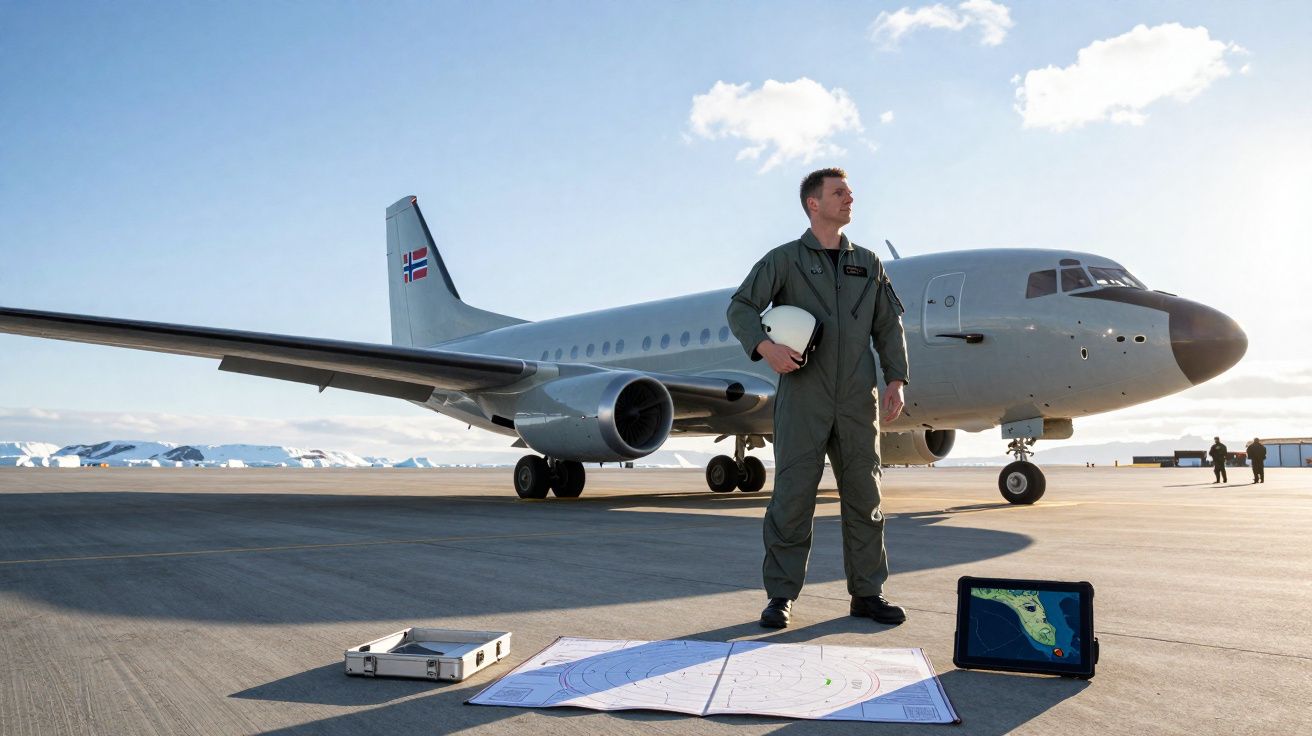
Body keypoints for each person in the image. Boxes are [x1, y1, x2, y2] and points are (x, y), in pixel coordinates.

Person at [727, 167, 910, 629]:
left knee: (865, 496)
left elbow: (888, 325)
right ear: (814, 203)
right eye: (839, 192)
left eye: (850, 192)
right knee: (792, 498)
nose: (850, 198)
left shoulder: (868, 263)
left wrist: (896, 379)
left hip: (857, 397)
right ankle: (780, 596)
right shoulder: (784, 260)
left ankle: (868, 593)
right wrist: (764, 346)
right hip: (803, 395)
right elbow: (741, 306)